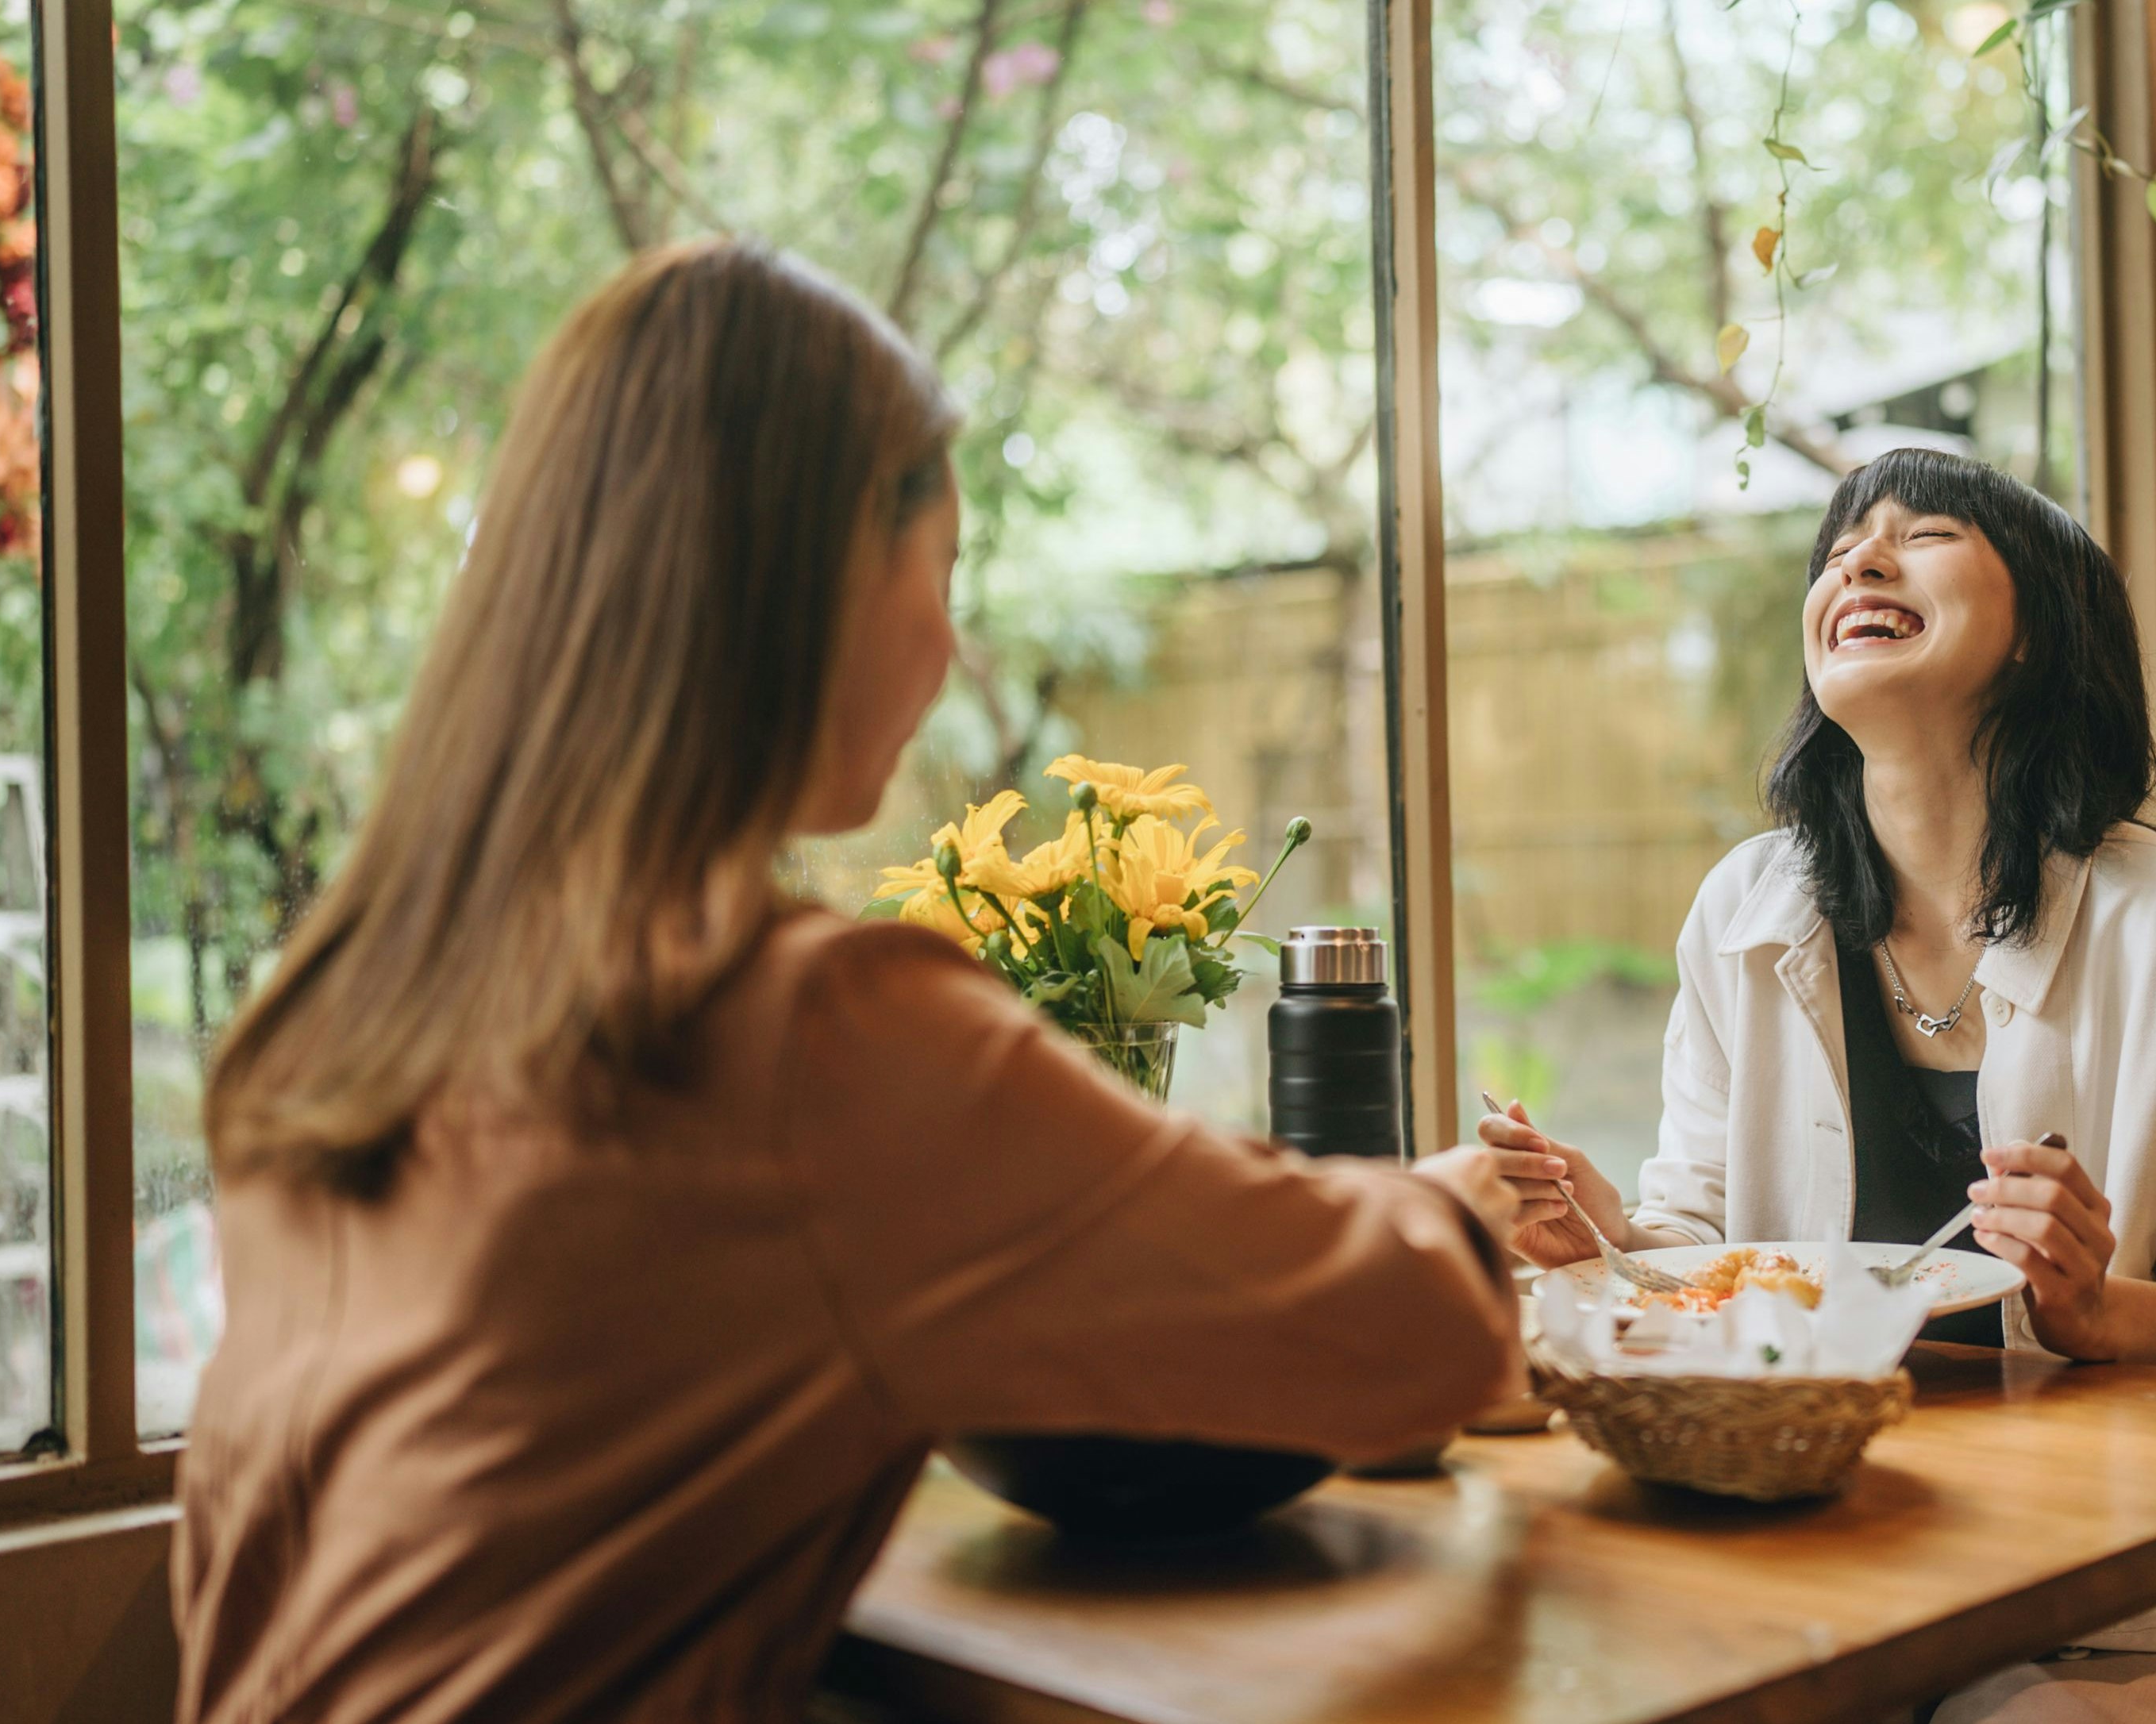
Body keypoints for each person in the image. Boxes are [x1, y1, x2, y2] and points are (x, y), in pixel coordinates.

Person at [172, 241, 1523, 1724]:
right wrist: (1453, 1206)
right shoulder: (805, 1029)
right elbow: (1413, 1340)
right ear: (794, 582)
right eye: (935, 576)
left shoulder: (344, 1009)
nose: (948, 648)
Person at [1480, 448, 2156, 1707]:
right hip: (1810, 1541)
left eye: (1919, 535)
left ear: (2039, 628)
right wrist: (1607, 1233)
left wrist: (2102, 1310)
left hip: (2113, 1580)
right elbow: (1710, 1239)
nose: (1858, 561)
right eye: (1836, 551)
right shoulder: (1744, 913)